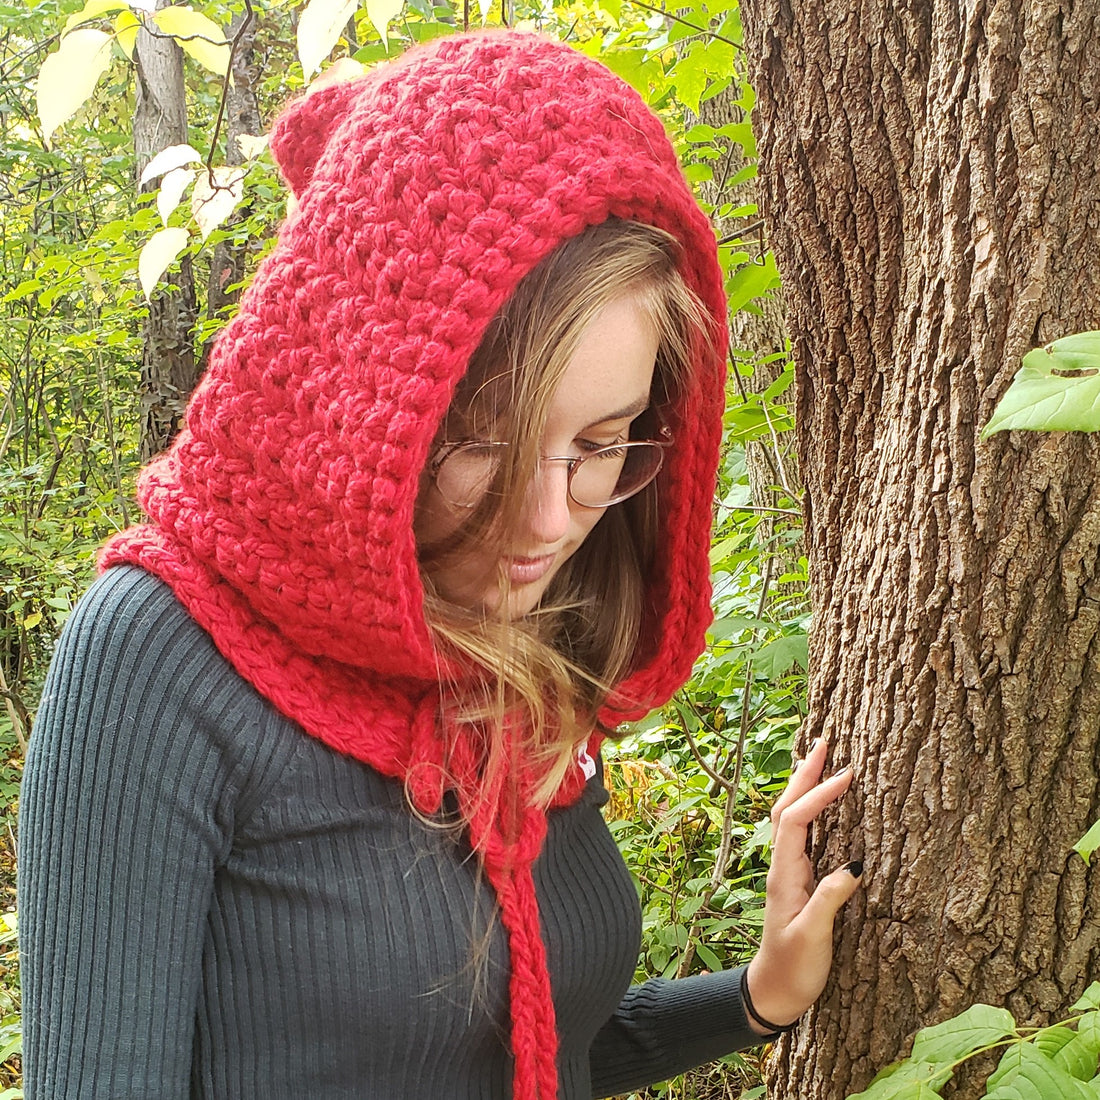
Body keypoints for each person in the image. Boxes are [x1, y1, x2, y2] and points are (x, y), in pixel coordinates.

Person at [18, 30, 861, 1100]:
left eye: (602, 444)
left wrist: (752, 996)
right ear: (363, 396)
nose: (551, 518)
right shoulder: (156, 655)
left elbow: (538, 1048)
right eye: (487, 444)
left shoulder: (521, 655)